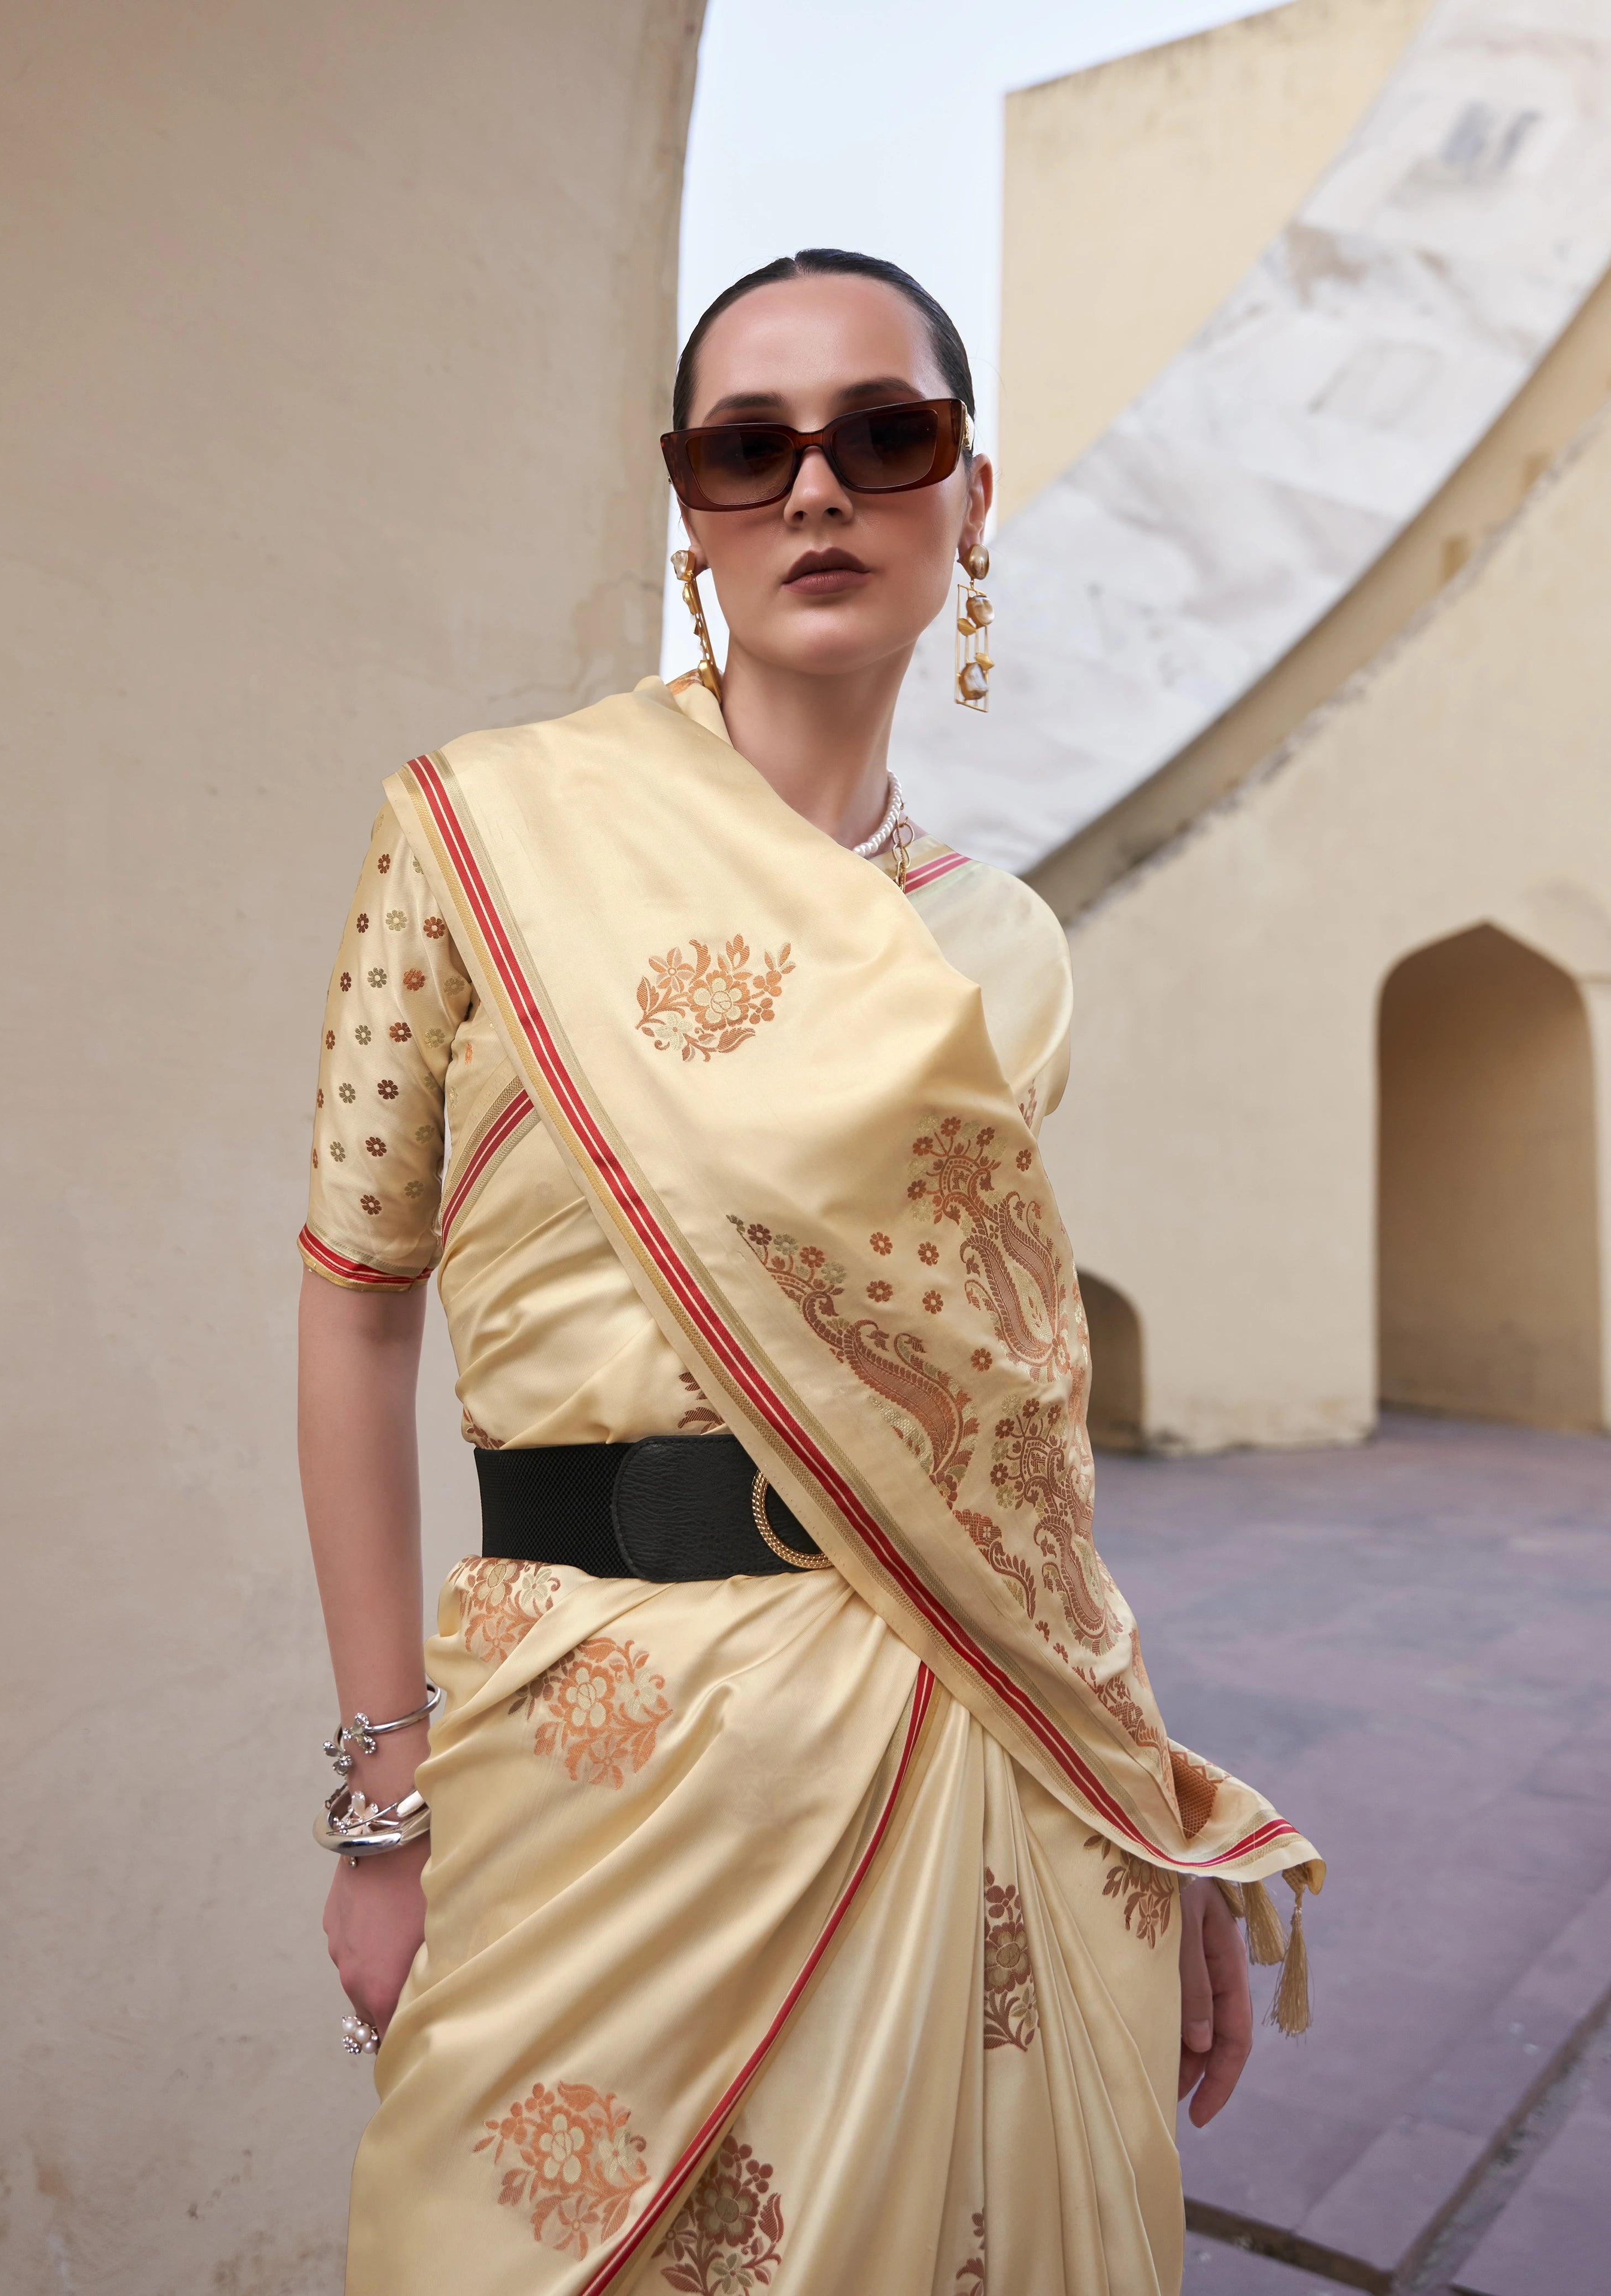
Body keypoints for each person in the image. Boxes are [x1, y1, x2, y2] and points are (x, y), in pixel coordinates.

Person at [298, 248, 1321, 2296]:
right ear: (691, 515)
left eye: (886, 434)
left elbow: (1012, 1451)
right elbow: (352, 1301)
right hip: (585, 1743)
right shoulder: (484, 830)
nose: (817, 492)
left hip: (948, 1747)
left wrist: (1151, 1813)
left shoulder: (1002, 951)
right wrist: (383, 1794)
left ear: (969, 492)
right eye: (746, 450)